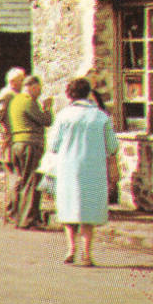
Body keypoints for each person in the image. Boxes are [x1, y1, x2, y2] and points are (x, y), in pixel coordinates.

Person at [48, 76, 120, 267]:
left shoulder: (64, 116)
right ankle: (87, 253)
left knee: (69, 206)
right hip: (93, 167)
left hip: (68, 166)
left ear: (70, 95)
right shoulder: (101, 116)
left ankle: (71, 248)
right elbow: (112, 146)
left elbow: (53, 145)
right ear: (89, 94)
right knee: (88, 210)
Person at [8, 74, 52, 230]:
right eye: (39, 89)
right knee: (32, 182)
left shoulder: (16, 101)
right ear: (33, 87)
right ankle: (29, 220)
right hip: (30, 144)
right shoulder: (29, 102)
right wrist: (47, 109)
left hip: (17, 144)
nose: (40, 92)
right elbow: (46, 121)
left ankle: (18, 216)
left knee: (23, 180)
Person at [0, 67, 26, 224]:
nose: (24, 82)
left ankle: (13, 212)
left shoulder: (16, 94)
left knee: (15, 178)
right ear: (13, 81)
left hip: (12, 142)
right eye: (22, 79)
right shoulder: (7, 94)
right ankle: (12, 212)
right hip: (7, 144)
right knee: (15, 178)